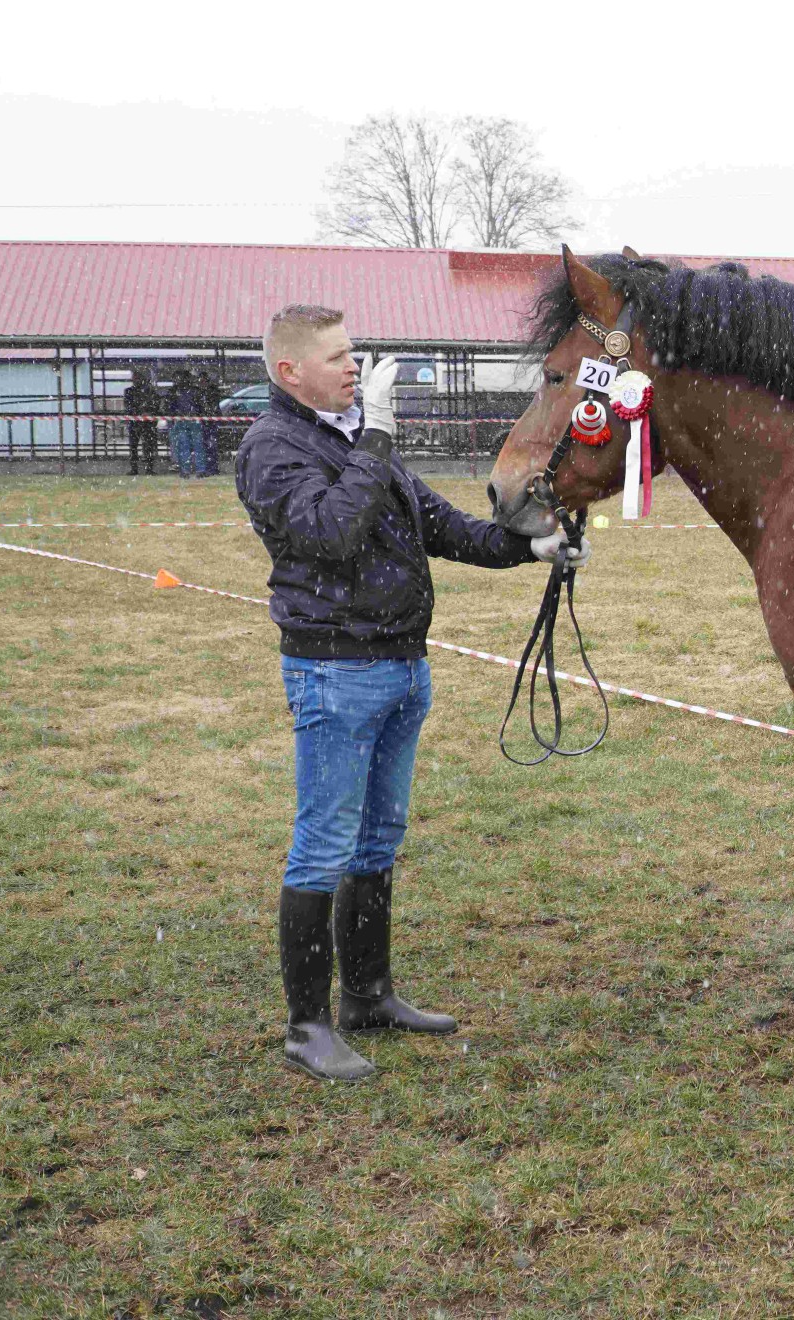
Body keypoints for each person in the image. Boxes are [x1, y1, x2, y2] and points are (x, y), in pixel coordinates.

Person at [235, 303, 587, 1082]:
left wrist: (533, 547)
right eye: (336, 357)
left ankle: (367, 995)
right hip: (334, 671)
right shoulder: (272, 448)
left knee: (377, 840)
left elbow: (443, 527)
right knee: (322, 844)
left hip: (400, 668)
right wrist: (379, 439)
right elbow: (331, 532)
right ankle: (306, 1027)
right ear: (290, 371)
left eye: (353, 352)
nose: (354, 366)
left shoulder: (358, 442)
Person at [167, 373, 204, 478]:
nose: (183, 381)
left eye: (185, 378)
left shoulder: (194, 391)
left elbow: (201, 406)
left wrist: (196, 413)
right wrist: (177, 414)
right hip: (182, 421)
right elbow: (170, 406)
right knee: (184, 446)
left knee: (196, 446)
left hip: (193, 420)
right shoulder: (175, 391)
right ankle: (186, 470)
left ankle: (198, 470)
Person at [125, 367, 160, 476]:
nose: (136, 380)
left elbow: (156, 405)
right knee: (133, 447)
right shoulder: (129, 391)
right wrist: (140, 413)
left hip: (147, 423)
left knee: (148, 446)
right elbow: (128, 406)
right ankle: (134, 469)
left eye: (138, 378)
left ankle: (149, 468)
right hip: (135, 422)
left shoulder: (150, 391)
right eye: (134, 378)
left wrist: (148, 413)